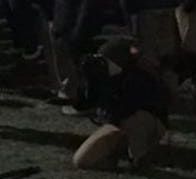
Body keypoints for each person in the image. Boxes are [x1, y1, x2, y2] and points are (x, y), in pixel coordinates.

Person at [72, 40, 170, 170]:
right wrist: (87, 82)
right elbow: (81, 105)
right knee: (81, 160)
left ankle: (140, 158)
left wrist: (107, 91)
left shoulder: (137, 79)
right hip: (119, 125)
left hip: (148, 124)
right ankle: (118, 153)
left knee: (135, 120)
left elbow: (125, 111)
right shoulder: (106, 79)